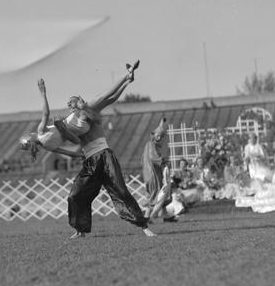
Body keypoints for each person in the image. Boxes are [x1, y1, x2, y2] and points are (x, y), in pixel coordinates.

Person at [66, 60, 157, 238]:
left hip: (104, 156)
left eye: (72, 101)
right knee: (75, 195)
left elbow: (109, 95)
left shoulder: (88, 108)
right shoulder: (70, 122)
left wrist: (125, 77)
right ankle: (79, 230)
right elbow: (112, 98)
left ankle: (144, 226)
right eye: (68, 103)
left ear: (79, 100)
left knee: (121, 191)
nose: (69, 104)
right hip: (90, 161)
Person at [19, 78, 93, 162]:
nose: (31, 133)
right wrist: (43, 93)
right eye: (30, 134)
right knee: (75, 103)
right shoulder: (40, 132)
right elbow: (46, 114)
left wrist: (83, 155)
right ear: (30, 138)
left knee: (76, 138)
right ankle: (82, 106)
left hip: (81, 132)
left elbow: (68, 153)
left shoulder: (47, 147)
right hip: (73, 123)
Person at [141, 117, 171, 221]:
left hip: (151, 174)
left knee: (156, 194)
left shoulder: (150, 145)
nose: (160, 138)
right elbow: (154, 158)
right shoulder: (151, 145)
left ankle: (164, 215)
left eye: (161, 136)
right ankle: (147, 217)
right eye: (159, 136)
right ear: (154, 136)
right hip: (152, 175)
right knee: (157, 194)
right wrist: (163, 161)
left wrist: (161, 123)